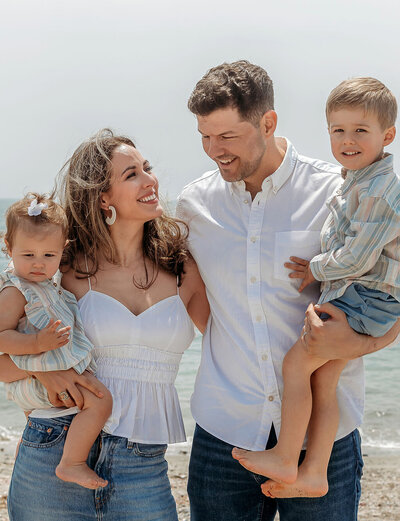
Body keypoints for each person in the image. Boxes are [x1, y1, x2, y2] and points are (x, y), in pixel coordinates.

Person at [176, 61, 400, 521]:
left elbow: (391, 289)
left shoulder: (336, 191)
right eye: (205, 136)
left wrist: (365, 342)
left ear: (268, 122)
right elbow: (196, 298)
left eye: (228, 137)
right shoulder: (193, 204)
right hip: (226, 433)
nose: (214, 151)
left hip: (326, 441)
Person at [2, 129, 209, 521]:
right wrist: (47, 371)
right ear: (102, 197)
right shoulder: (59, 269)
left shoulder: (183, 269)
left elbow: (229, 343)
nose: (151, 181)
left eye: (146, 169)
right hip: (53, 448)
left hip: (143, 463)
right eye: (132, 175)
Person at [231, 77, 400, 498]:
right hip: (362, 296)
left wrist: (317, 269)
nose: (348, 139)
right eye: (338, 130)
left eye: (361, 130)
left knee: (294, 366)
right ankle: (314, 473)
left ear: (388, 135)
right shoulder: (357, 179)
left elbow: (358, 258)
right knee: (324, 382)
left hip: (362, 298)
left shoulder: (380, 189)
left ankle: (287, 456)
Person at [0, 193, 112, 489]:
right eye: (28, 255)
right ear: (8, 248)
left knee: (42, 420)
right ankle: (71, 463)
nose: (38, 264)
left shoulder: (48, 287)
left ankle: (30, 447)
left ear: (63, 251)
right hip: (34, 376)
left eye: (48, 256)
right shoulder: (15, 291)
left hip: (39, 375)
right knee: (101, 401)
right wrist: (38, 342)